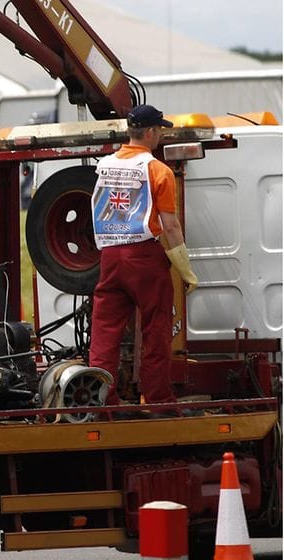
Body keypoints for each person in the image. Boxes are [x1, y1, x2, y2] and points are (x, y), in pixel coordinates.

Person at [89, 104, 199, 407]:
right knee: (156, 328)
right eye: (160, 130)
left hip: (110, 256)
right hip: (144, 257)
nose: (161, 135)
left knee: (105, 332)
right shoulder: (158, 170)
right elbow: (171, 226)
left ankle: (102, 401)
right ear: (150, 132)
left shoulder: (104, 165)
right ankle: (157, 397)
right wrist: (186, 271)